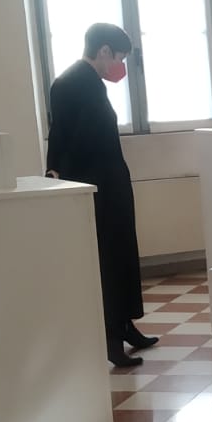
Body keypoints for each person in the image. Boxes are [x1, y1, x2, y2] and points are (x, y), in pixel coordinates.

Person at [46, 22, 157, 369]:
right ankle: (112, 338)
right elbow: (66, 137)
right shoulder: (74, 83)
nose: (120, 66)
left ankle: (125, 325)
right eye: (119, 58)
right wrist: (57, 171)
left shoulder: (87, 81)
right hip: (98, 186)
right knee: (109, 260)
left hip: (108, 182)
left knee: (122, 254)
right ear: (104, 51)